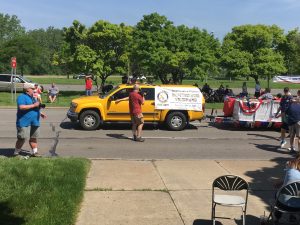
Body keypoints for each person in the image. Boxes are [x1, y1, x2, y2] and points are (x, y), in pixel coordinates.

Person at [14, 83, 46, 157]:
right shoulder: (22, 97)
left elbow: (34, 107)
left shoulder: (33, 97)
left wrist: (40, 113)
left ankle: (35, 152)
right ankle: (16, 153)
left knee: (33, 137)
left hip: (35, 121)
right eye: (33, 89)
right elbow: (21, 107)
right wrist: (34, 105)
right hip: (24, 122)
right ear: (27, 89)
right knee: (22, 138)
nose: (34, 90)